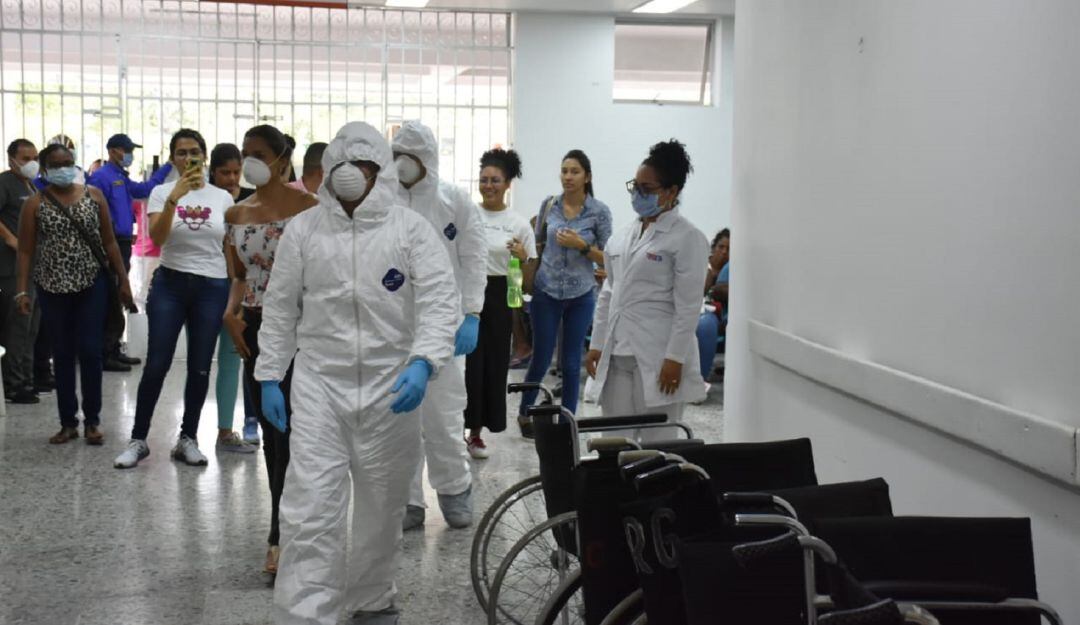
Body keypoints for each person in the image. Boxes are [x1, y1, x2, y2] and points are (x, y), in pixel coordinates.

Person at [255, 121, 459, 625]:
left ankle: (371, 598)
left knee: (383, 504)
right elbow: (280, 306)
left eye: (362, 164)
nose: (350, 174)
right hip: (320, 384)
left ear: (380, 171)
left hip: (392, 386)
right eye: (342, 164)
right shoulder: (305, 230)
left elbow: (439, 299)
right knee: (310, 504)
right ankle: (305, 612)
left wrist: (423, 361)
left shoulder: (410, 230)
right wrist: (269, 375)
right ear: (327, 170)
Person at [223, 125, 318, 573]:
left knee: (294, 435)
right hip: (255, 328)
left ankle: (283, 535)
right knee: (271, 433)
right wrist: (230, 314)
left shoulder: (310, 209)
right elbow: (239, 276)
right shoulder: (236, 213)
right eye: (245, 153)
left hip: (302, 328)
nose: (249, 162)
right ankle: (283, 525)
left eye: (258, 154)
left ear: (282, 159)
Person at [113, 129, 233, 469]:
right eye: (181, 153)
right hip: (171, 285)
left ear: (204, 156)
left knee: (200, 366)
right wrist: (174, 199)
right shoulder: (161, 192)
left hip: (212, 287)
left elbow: (227, 248)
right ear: (172, 158)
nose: (188, 158)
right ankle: (138, 440)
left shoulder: (222, 197)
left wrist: (233, 293)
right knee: (157, 363)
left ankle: (188, 438)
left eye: (194, 152)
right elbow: (159, 237)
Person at [391, 120, 485, 531]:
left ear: (427, 158)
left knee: (444, 417)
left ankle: (454, 490)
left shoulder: (454, 201)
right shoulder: (383, 199)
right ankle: (407, 500)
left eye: (410, 156)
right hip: (394, 326)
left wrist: (472, 313)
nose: (403, 163)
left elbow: (474, 258)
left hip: (444, 324)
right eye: (397, 155)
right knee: (399, 418)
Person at [584, 140, 709, 437]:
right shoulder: (622, 236)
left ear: (671, 192)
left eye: (647, 189)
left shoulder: (687, 237)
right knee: (615, 440)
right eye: (635, 186)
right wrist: (597, 343)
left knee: (658, 443)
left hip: (659, 354)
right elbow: (609, 292)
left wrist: (675, 358)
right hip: (618, 353)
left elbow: (689, 305)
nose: (638, 195)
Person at [15, 143, 135, 444]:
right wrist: (21, 291)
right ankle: (68, 422)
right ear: (45, 170)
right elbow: (26, 250)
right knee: (63, 354)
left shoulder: (94, 196)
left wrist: (123, 280)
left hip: (91, 284)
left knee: (91, 352)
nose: (63, 169)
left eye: (68, 162)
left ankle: (93, 421)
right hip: (51, 287)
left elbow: (109, 242)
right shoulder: (35, 203)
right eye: (56, 165)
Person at [517, 149, 611, 430]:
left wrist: (581, 246)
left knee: (571, 363)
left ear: (587, 177)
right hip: (546, 291)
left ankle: (567, 420)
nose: (568, 177)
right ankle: (525, 413)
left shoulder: (599, 212)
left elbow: (608, 258)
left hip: (581, 295)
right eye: (564, 171)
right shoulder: (549, 205)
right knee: (541, 358)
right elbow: (536, 245)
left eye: (575, 172)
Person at [465, 147, 535, 458]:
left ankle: (476, 434)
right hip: (468, 293)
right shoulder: (467, 215)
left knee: (491, 367)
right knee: (466, 366)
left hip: (499, 296)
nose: (488, 185)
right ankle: (455, 427)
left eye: (495, 180)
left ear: (507, 184)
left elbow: (525, 281)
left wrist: (523, 258)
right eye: (484, 180)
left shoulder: (518, 223)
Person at [87, 133, 174, 372]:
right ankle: (105, 352)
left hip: (123, 242)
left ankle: (113, 348)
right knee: (111, 296)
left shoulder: (120, 176)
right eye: (126, 151)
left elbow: (144, 189)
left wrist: (167, 166)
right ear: (113, 151)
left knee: (118, 295)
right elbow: (93, 210)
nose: (130, 155)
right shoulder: (101, 177)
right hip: (110, 242)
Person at [207, 143, 259, 454]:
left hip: (240, 292)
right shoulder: (203, 200)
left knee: (233, 359)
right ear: (212, 172)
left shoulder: (251, 200)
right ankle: (188, 433)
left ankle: (226, 431)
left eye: (236, 172)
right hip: (207, 289)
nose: (231, 178)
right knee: (200, 363)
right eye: (224, 172)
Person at [1, 139, 43, 404]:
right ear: (12, 159)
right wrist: (10, 239)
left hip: (34, 267)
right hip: (12, 268)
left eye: (35, 158)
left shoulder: (31, 185)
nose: (32, 163)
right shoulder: (4, 183)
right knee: (17, 326)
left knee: (31, 328)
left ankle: (27, 378)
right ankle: (13, 384)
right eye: (26, 158)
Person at [696, 228, 729, 385]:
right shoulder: (702, 264)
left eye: (729, 249)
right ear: (714, 247)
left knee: (707, 326)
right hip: (697, 308)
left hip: (715, 316)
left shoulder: (730, 271)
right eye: (721, 247)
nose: (724, 252)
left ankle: (701, 377)